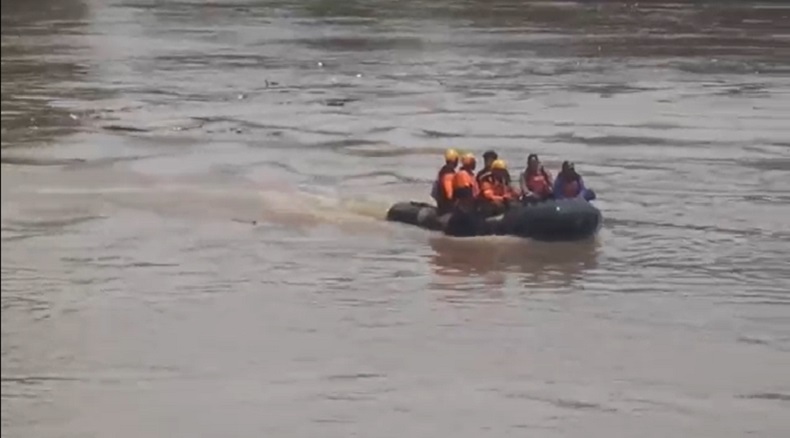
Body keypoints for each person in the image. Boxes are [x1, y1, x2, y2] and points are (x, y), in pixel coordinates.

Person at [445, 153, 483, 237]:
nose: (475, 164)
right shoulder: (462, 175)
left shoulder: (470, 175)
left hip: (471, 205)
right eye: (473, 162)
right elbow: (465, 193)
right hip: (463, 208)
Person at [430, 148, 459, 214]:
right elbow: (449, 192)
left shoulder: (443, 170)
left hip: (442, 202)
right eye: (457, 159)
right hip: (446, 205)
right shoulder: (448, 172)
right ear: (454, 160)